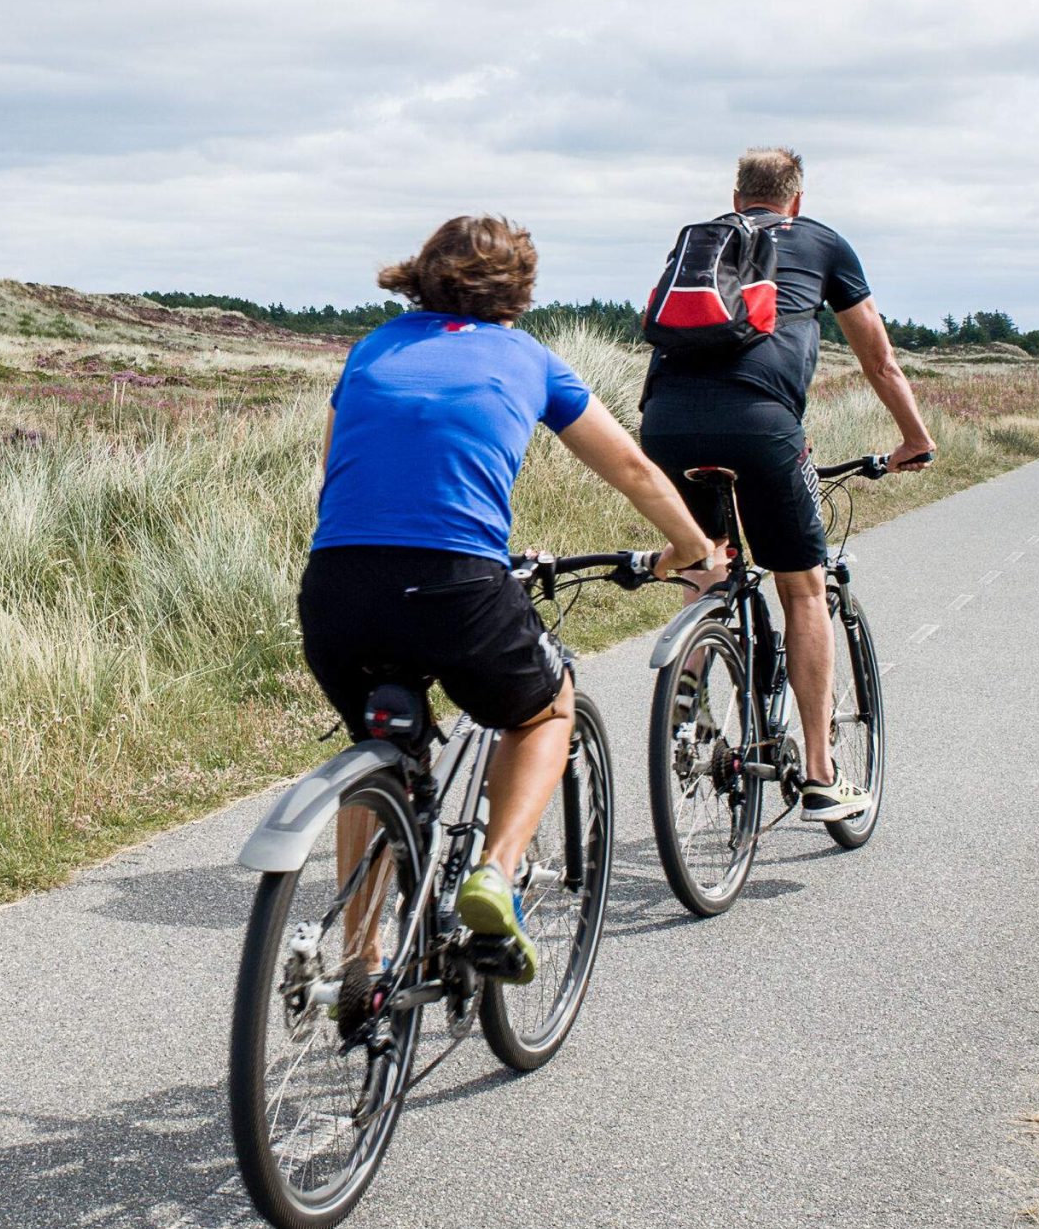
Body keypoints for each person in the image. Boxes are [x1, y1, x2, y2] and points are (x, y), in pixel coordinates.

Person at [301, 215, 723, 981]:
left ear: (422, 275)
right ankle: (494, 871)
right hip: (457, 587)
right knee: (547, 706)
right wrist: (692, 550)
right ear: (520, 292)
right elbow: (629, 465)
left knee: (379, 748)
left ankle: (361, 961)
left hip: (337, 586)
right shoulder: (528, 357)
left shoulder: (371, 349)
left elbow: (336, 472)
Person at [637, 149, 933, 823]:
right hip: (762, 427)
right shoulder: (823, 242)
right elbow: (880, 360)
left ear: (735, 195)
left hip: (666, 425)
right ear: (795, 201)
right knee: (802, 585)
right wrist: (915, 440)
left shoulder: (700, 243)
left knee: (707, 558)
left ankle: (692, 673)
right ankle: (824, 774)